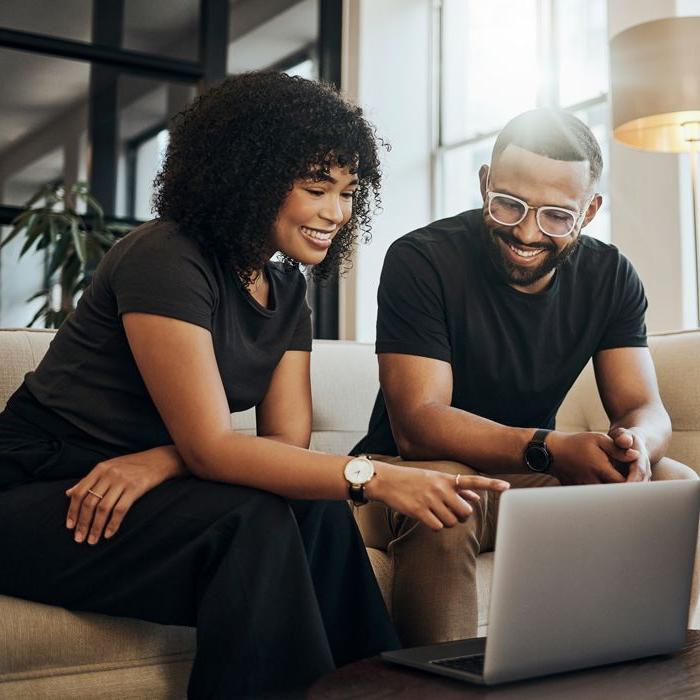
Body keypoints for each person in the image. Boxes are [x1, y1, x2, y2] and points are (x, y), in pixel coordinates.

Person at [0, 72, 509, 699]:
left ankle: (388, 693)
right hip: (42, 487)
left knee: (315, 511)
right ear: (247, 176)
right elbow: (214, 448)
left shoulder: (287, 287)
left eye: (349, 192)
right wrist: (377, 476)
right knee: (251, 522)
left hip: (142, 484)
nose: (336, 213)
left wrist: (163, 462)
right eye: (316, 188)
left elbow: (285, 446)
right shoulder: (166, 255)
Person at [352, 108, 698, 647]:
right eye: (509, 204)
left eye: (558, 216)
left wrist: (635, 447)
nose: (527, 232)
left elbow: (643, 407)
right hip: (404, 473)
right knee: (452, 497)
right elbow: (418, 426)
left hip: (521, 477)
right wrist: (553, 448)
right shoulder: (421, 260)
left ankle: (642, 679)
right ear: (485, 183)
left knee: (675, 482)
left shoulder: (610, 277)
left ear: (590, 209)